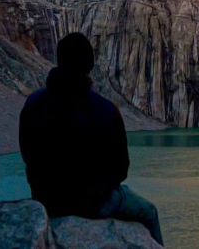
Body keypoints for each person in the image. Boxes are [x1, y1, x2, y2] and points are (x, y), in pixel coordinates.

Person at [18, 32, 164, 246]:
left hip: (47, 201)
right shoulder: (105, 110)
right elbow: (120, 170)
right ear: (89, 64)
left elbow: (28, 154)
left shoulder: (34, 103)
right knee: (149, 212)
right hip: (94, 203)